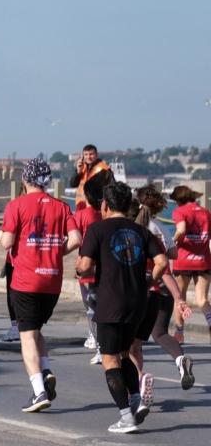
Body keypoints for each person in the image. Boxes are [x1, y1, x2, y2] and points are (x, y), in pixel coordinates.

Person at [75, 182, 165, 433]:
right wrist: (151, 280)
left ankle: (126, 416)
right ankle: (135, 401)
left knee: (109, 359)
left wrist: (82, 267)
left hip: (110, 302)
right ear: (127, 206)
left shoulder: (97, 229)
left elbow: (84, 266)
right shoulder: (140, 231)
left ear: (104, 205)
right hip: (138, 302)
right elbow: (162, 261)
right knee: (125, 353)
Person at [1, 158, 81, 413]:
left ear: (25, 180)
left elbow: (6, 242)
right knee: (34, 329)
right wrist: (56, 252)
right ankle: (45, 369)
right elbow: (77, 238)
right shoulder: (61, 206)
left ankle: (38, 392)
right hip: (52, 280)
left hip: (26, 279)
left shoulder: (16, 205)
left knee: (26, 337)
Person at [125, 185, 195, 400]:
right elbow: (171, 256)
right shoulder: (159, 229)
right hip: (161, 290)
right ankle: (179, 359)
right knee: (160, 333)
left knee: (132, 345)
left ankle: (138, 387)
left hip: (140, 290)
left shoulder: (132, 230)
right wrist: (179, 298)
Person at [74, 172, 111, 363]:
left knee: (90, 309)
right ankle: (105, 344)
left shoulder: (80, 215)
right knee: (104, 307)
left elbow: (75, 239)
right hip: (106, 267)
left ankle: (98, 344)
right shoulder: (106, 216)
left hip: (87, 267)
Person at [170, 185, 211, 345]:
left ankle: (179, 333)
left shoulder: (180, 212)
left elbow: (181, 230)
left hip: (184, 260)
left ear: (179, 200)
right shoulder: (206, 212)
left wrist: (171, 242)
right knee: (202, 299)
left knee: (180, 298)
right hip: (203, 260)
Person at [69, 143, 111, 210]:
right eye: (86, 154)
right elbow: (72, 184)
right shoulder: (82, 167)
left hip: (96, 208)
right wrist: (78, 172)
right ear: (83, 156)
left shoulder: (104, 169)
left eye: (91, 154)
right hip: (81, 206)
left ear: (96, 155)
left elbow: (110, 189)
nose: (88, 157)